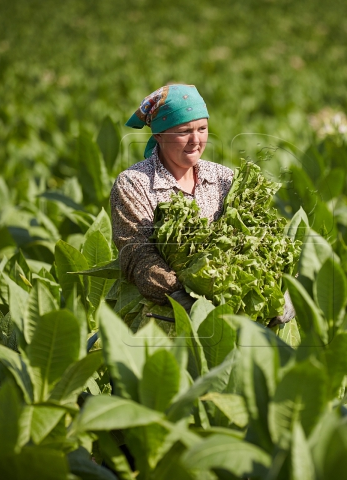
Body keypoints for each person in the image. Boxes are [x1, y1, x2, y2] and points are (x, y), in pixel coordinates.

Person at [110, 84, 294, 326]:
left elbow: (256, 242)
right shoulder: (134, 183)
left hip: (236, 311)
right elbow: (136, 253)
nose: (195, 140)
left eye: (202, 129)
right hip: (164, 313)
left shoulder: (223, 177)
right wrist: (188, 298)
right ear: (158, 135)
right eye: (184, 131)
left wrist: (279, 287)